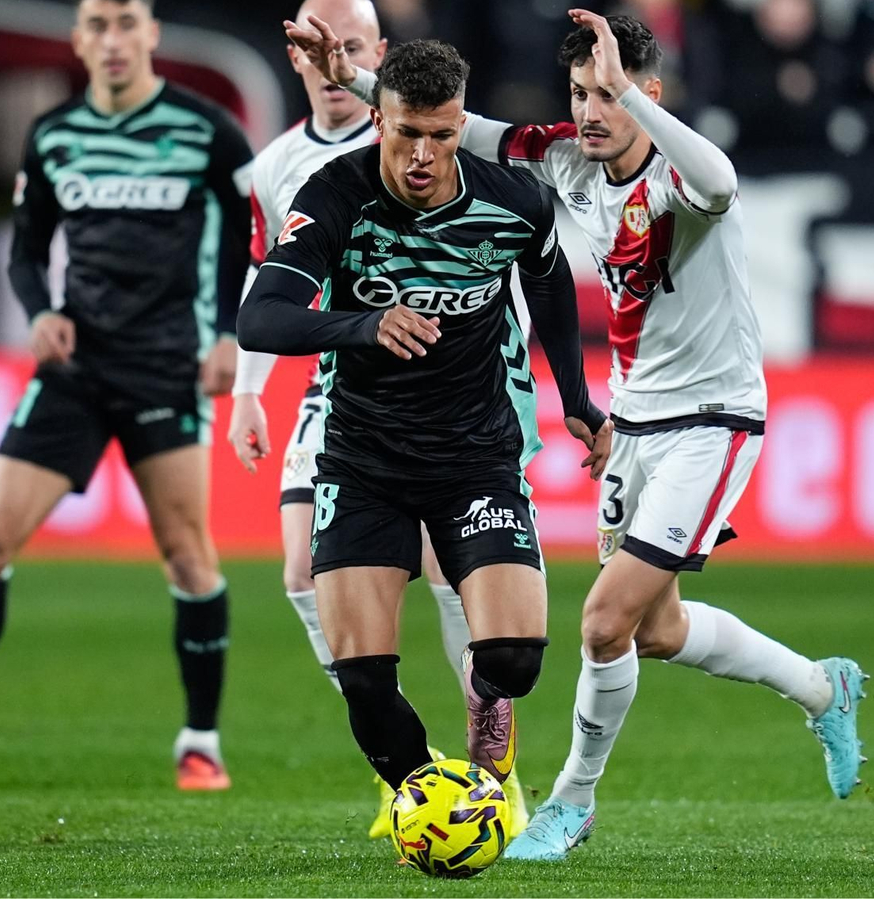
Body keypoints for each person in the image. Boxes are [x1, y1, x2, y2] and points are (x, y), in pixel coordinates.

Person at [286, 10, 867, 862]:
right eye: (579, 93)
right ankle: (823, 688)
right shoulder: (566, 157)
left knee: (602, 622)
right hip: (633, 419)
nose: (591, 111)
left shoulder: (683, 174)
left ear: (648, 92)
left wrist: (635, 98)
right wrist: (357, 80)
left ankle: (571, 801)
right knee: (655, 629)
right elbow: (456, 126)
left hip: (714, 417)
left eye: (608, 94)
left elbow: (723, 181)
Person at [0, 0, 254, 790]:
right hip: (76, 369)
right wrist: (39, 311)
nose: (113, 40)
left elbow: (242, 237)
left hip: (165, 366)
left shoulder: (206, 131)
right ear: (78, 40)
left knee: (189, 557)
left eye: (126, 23)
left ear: (151, 33)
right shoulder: (53, 135)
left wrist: (228, 334)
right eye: (97, 26)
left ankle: (201, 742)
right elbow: (22, 249)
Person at [236, 39, 609, 802]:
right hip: (363, 458)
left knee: (515, 660)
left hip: (475, 454)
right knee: (365, 683)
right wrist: (363, 324)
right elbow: (260, 316)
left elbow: (548, 284)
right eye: (407, 132)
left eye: (441, 135)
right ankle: (430, 805)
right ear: (379, 120)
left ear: (460, 125)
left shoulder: (513, 200)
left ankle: (482, 695)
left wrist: (576, 398)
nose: (422, 154)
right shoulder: (335, 195)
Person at [226, 0, 528, 836]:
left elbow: (503, 247)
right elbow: (269, 282)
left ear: (377, 57)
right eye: (320, 48)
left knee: (448, 572)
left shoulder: (417, 132)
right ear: (296, 57)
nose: (337, 63)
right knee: (300, 573)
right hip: (340, 377)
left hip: (446, 381)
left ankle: (493, 766)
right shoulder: (277, 165)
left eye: (354, 47)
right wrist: (248, 389)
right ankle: (402, 763)